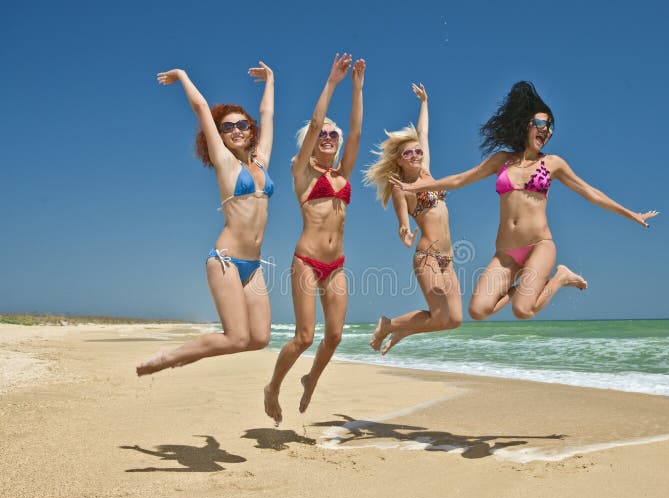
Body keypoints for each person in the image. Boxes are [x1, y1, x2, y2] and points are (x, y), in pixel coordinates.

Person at [390, 81, 657, 321]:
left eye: (550, 126)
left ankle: (561, 277)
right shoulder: (501, 161)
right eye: (541, 124)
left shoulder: (552, 164)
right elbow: (460, 179)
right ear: (527, 125)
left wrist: (630, 213)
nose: (547, 130)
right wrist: (423, 185)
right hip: (506, 254)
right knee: (478, 311)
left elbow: (590, 192)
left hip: (539, 245)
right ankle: (522, 288)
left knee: (522, 310)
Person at [136, 62, 275, 376]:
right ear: (221, 136)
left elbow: (268, 114)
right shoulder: (224, 162)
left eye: (242, 124)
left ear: (250, 129)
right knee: (237, 337)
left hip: (253, 266)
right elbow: (201, 107)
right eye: (227, 127)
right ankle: (168, 356)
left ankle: (188, 354)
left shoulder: (261, 161)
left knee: (259, 338)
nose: (236, 130)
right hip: (225, 261)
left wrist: (271, 80)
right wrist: (184, 76)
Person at [264, 54, 365, 425]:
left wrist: (357, 87)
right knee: (304, 337)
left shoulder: (343, 173)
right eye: (322, 135)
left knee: (334, 336)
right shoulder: (301, 173)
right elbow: (317, 122)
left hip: (336, 264)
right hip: (307, 260)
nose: (327, 137)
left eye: (331, 136)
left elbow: (355, 132)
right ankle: (273, 386)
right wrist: (333, 81)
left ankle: (310, 379)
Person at [364, 83, 461, 355]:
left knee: (453, 320)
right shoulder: (400, 188)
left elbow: (424, 133)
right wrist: (405, 233)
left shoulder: (428, 174)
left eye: (418, 151)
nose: (417, 155)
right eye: (409, 153)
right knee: (440, 315)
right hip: (427, 256)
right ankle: (389, 325)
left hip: (448, 258)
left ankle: (402, 329)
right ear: (399, 161)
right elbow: (403, 224)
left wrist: (424, 103)